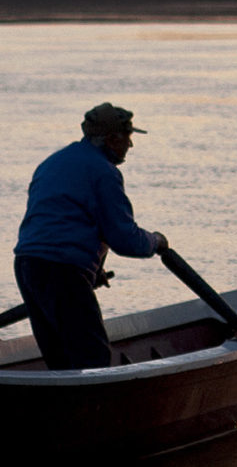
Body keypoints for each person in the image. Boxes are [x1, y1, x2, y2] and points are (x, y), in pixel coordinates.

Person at [13, 103, 167, 370]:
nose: (131, 145)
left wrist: (93, 268)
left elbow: (65, 221)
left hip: (28, 265)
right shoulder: (104, 173)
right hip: (62, 271)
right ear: (112, 139)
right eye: (128, 137)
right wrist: (156, 242)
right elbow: (124, 238)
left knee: (59, 358)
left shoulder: (54, 162)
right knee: (92, 358)